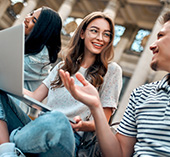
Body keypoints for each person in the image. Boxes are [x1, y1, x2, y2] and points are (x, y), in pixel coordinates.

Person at [0, 11, 122, 156]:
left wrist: (82, 125)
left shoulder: (112, 71)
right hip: (38, 127)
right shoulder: (62, 67)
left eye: (106, 34)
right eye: (94, 31)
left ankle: (9, 142)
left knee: (58, 119)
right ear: (82, 34)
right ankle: (9, 151)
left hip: (68, 137)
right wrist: (5, 82)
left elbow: (102, 123)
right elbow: (34, 97)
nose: (100, 38)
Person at [59, 11, 170, 157]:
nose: (151, 46)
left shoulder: (112, 70)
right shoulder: (141, 94)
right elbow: (119, 154)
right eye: (94, 31)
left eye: (160, 36)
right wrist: (96, 107)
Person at [12, 6, 62, 116]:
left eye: (34, 20)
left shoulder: (42, 55)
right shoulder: (25, 42)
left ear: (42, 29)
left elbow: (8, 71)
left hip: (15, 106)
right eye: (30, 14)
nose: (27, 18)